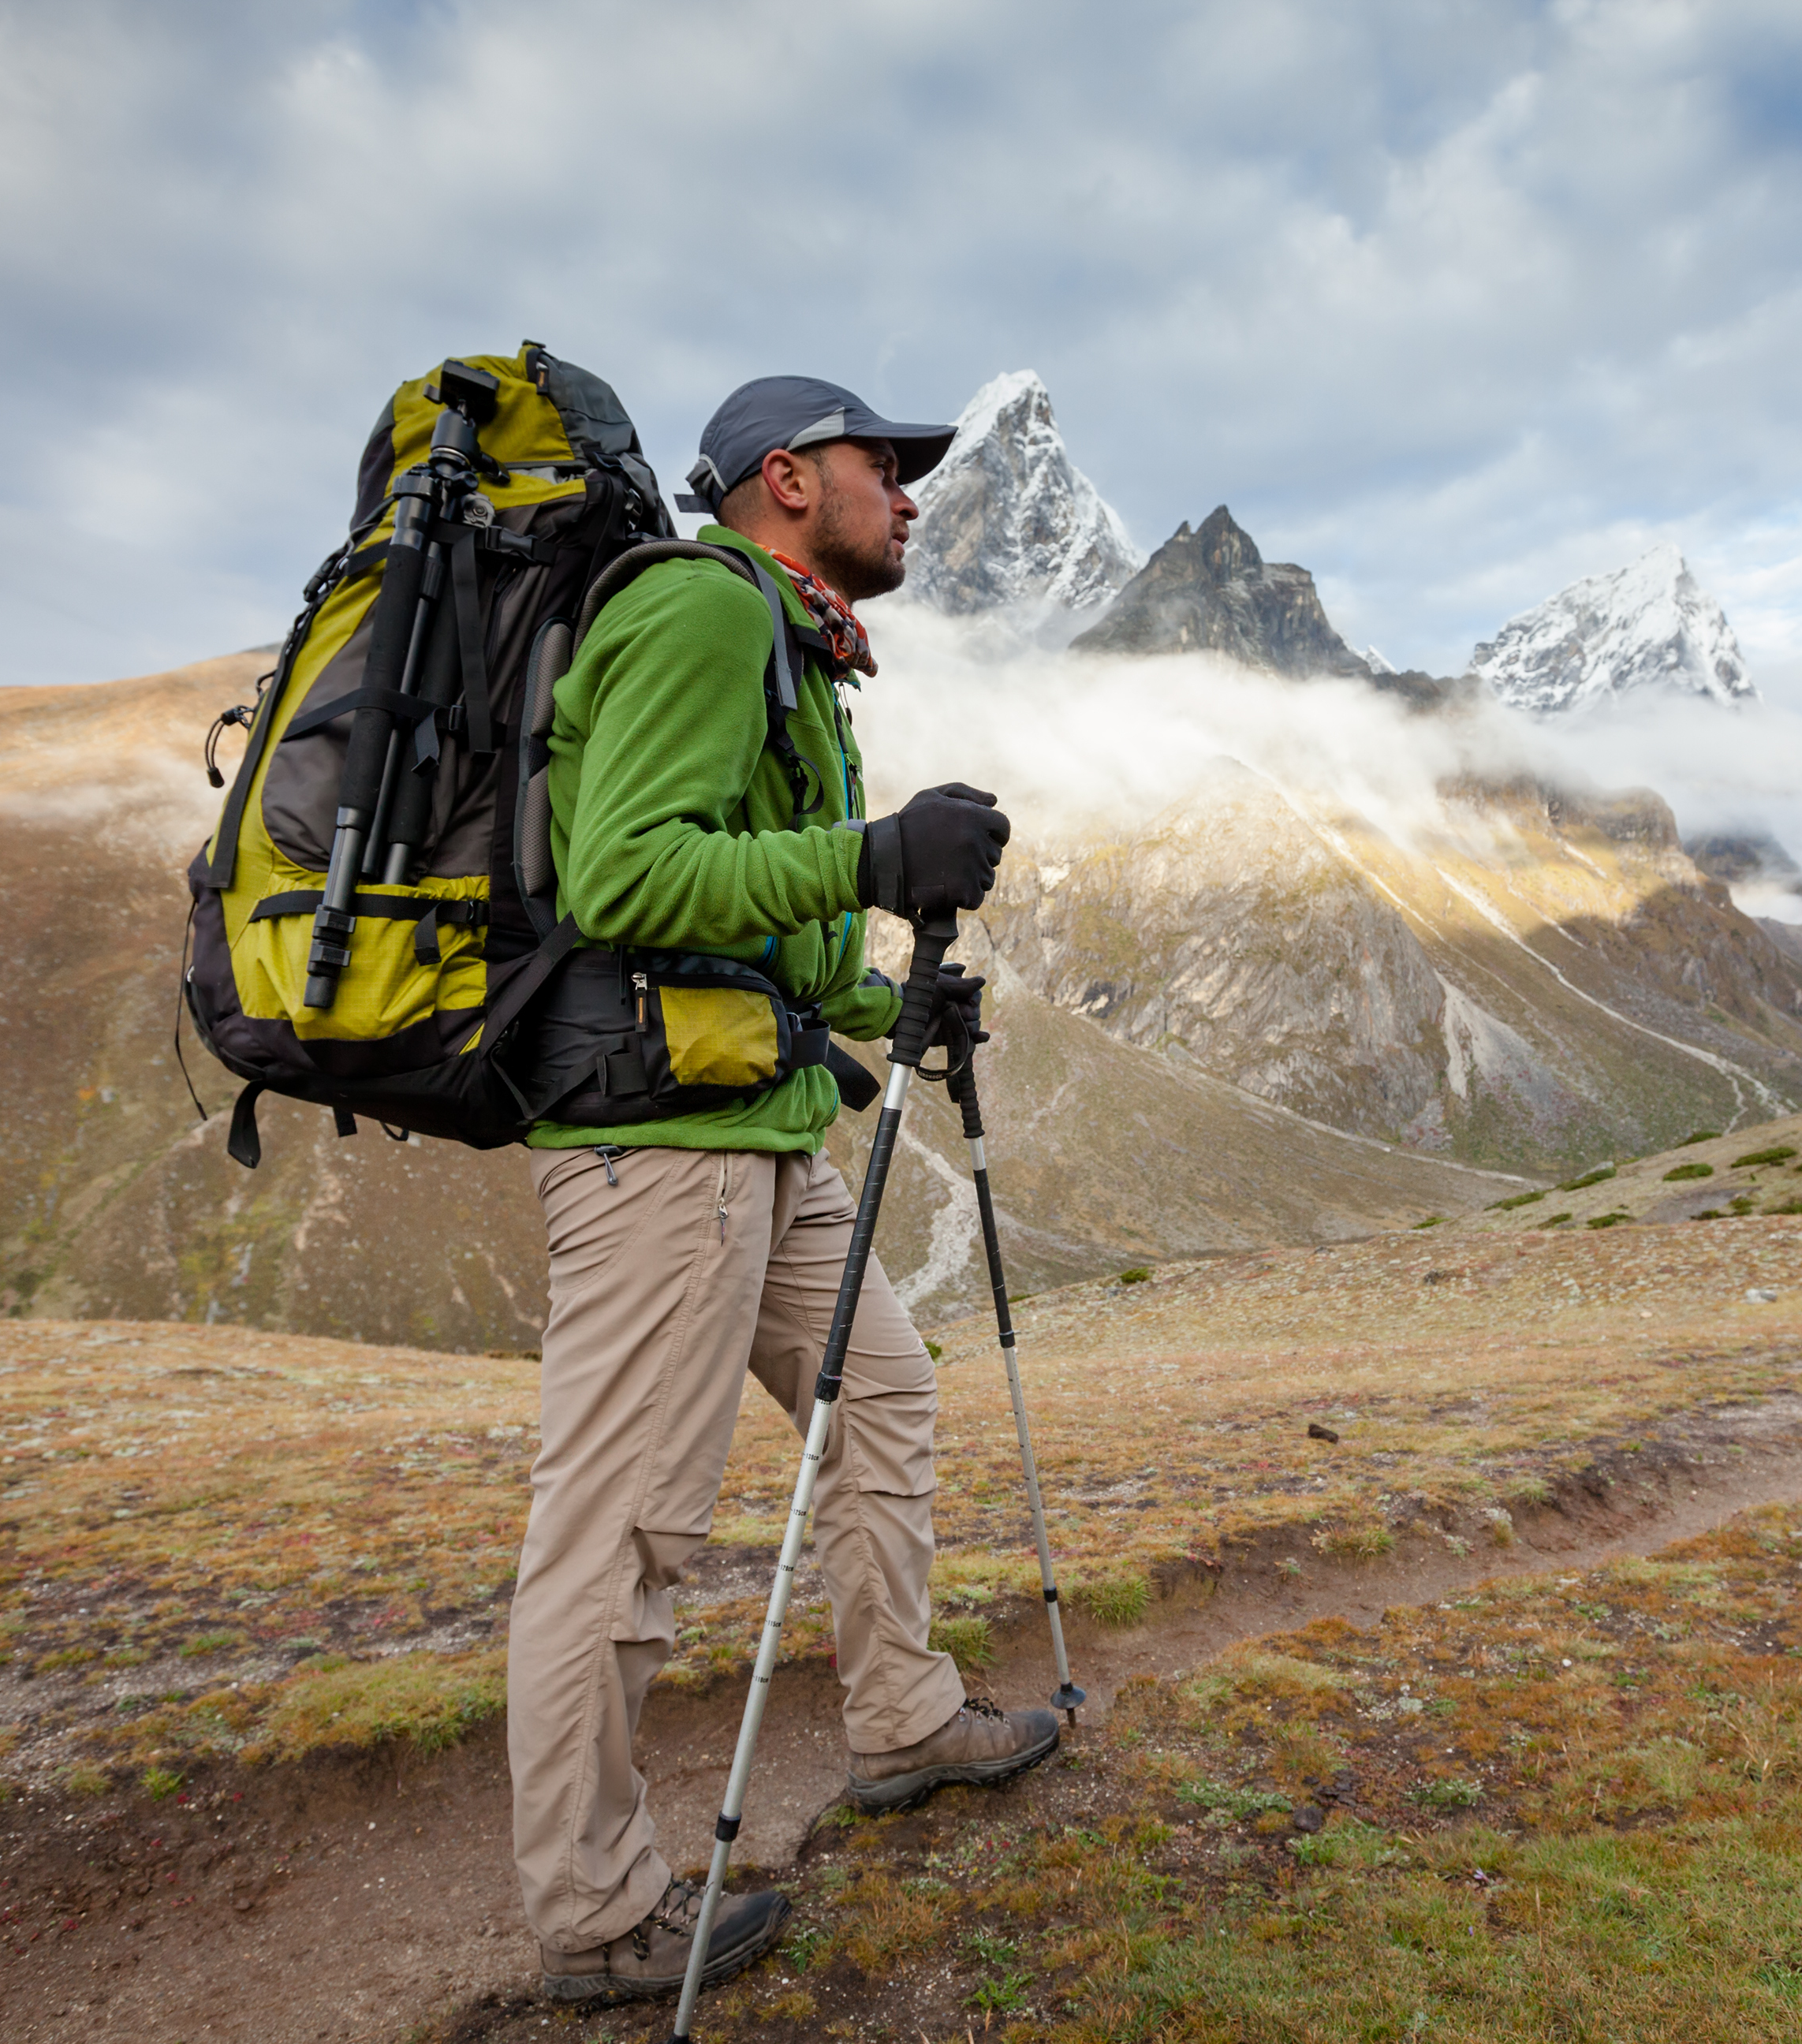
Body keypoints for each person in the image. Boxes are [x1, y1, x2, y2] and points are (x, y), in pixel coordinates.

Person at [506, 375, 1053, 2009]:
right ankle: (595, 1909)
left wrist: (891, 1004)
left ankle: (899, 1717)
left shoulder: (798, 652)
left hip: (760, 1128)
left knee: (882, 1393)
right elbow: (620, 874)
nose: (909, 492)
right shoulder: (695, 612)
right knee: (622, 1533)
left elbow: (760, 932)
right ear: (785, 479)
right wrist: (874, 860)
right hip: (661, 1147)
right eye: (883, 465)